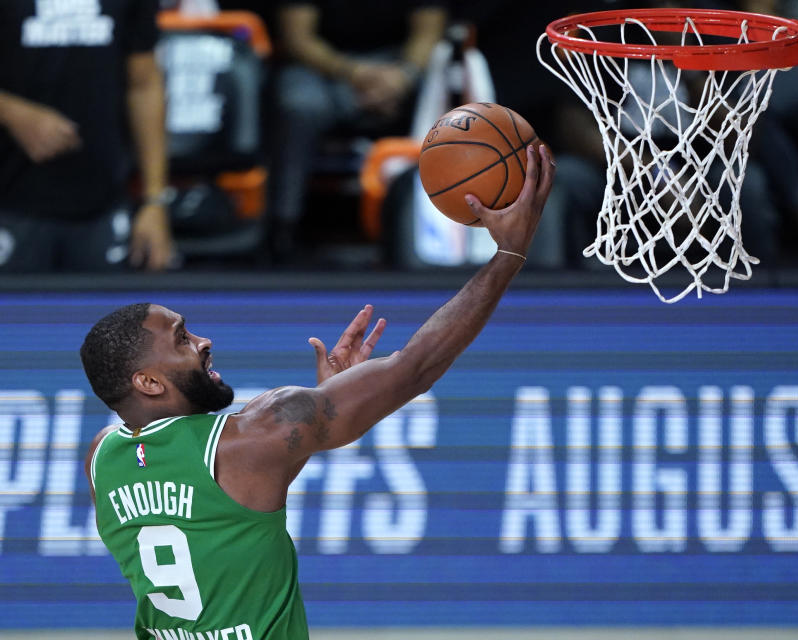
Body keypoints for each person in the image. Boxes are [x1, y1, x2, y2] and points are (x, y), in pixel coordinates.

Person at [81, 144, 553, 639]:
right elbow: (415, 368)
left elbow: (227, 505)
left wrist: (329, 401)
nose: (203, 342)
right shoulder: (259, 432)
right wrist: (509, 254)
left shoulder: (102, 458)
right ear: (149, 382)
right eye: (182, 339)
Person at [0, 0, 174, 272]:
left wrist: (154, 201)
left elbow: (144, 84)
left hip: (102, 201)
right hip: (10, 199)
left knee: (109, 313)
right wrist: (11, 112)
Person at [267, 0, 447, 260]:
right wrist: (355, 72)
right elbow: (298, 38)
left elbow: (428, 33)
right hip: (326, 68)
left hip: (400, 68)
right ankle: (283, 227)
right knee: (298, 102)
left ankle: (437, 225)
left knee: (448, 94)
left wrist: (402, 78)